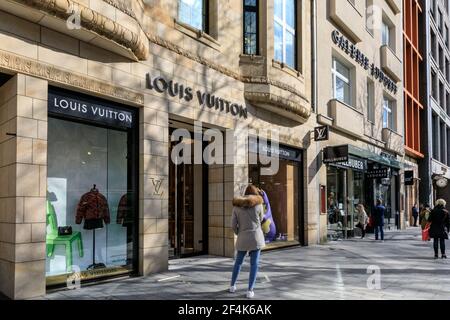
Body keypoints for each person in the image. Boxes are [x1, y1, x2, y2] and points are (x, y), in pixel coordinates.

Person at [229, 184, 265, 299]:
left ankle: (232, 286)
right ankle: (250, 290)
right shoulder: (259, 205)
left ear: (245, 193)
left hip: (242, 237)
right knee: (254, 264)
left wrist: (239, 232)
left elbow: (233, 225)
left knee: (238, 262)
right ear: (255, 193)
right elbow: (262, 218)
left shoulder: (236, 206)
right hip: (256, 237)